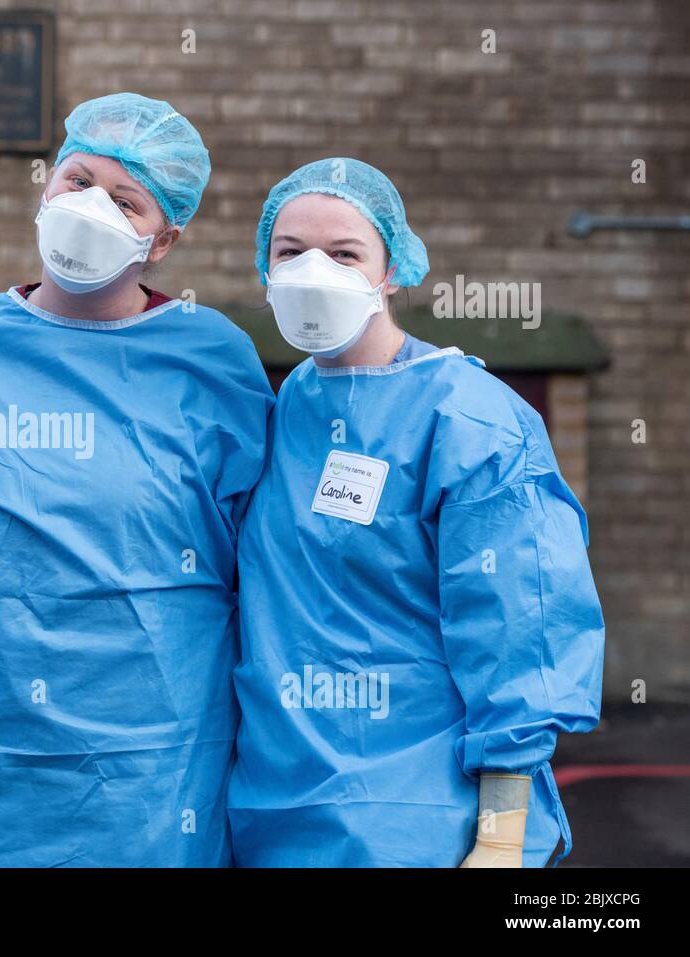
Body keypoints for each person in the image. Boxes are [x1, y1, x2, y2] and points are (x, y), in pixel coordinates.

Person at [0, 92, 275, 866]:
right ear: (44, 188)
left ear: (164, 238)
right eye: (76, 181)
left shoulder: (212, 359)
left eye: (125, 200)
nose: (90, 207)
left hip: (158, 762)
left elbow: (265, 561)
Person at [227, 157, 605, 867]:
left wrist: (498, 834)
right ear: (264, 268)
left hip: (424, 825)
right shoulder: (281, 413)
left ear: (392, 268)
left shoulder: (470, 419)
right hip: (276, 812)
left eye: (343, 253)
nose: (314, 270)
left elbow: (517, 626)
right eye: (290, 252)